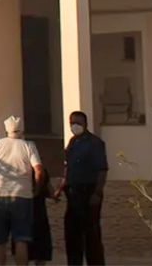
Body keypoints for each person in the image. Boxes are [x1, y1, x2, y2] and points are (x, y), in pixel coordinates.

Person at [0, 116, 44, 265]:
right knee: (21, 239)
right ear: (22, 129)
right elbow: (39, 170)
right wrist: (36, 188)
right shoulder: (29, 145)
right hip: (22, 195)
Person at [62, 110, 108, 265]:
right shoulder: (73, 142)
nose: (75, 126)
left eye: (78, 123)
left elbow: (102, 170)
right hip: (73, 193)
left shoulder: (94, 143)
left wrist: (97, 193)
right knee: (72, 233)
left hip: (88, 192)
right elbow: (69, 166)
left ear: (85, 124)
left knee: (91, 234)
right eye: (72, 122)